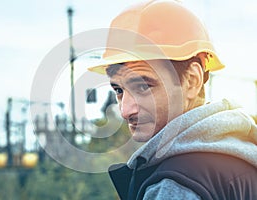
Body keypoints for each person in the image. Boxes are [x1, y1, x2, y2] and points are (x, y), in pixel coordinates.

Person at [88, 0, 257, 199]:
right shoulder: (242, 158)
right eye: (119, 90)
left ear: (192, 81)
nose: (125, 110)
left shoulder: (174, 185)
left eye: (143, 87)